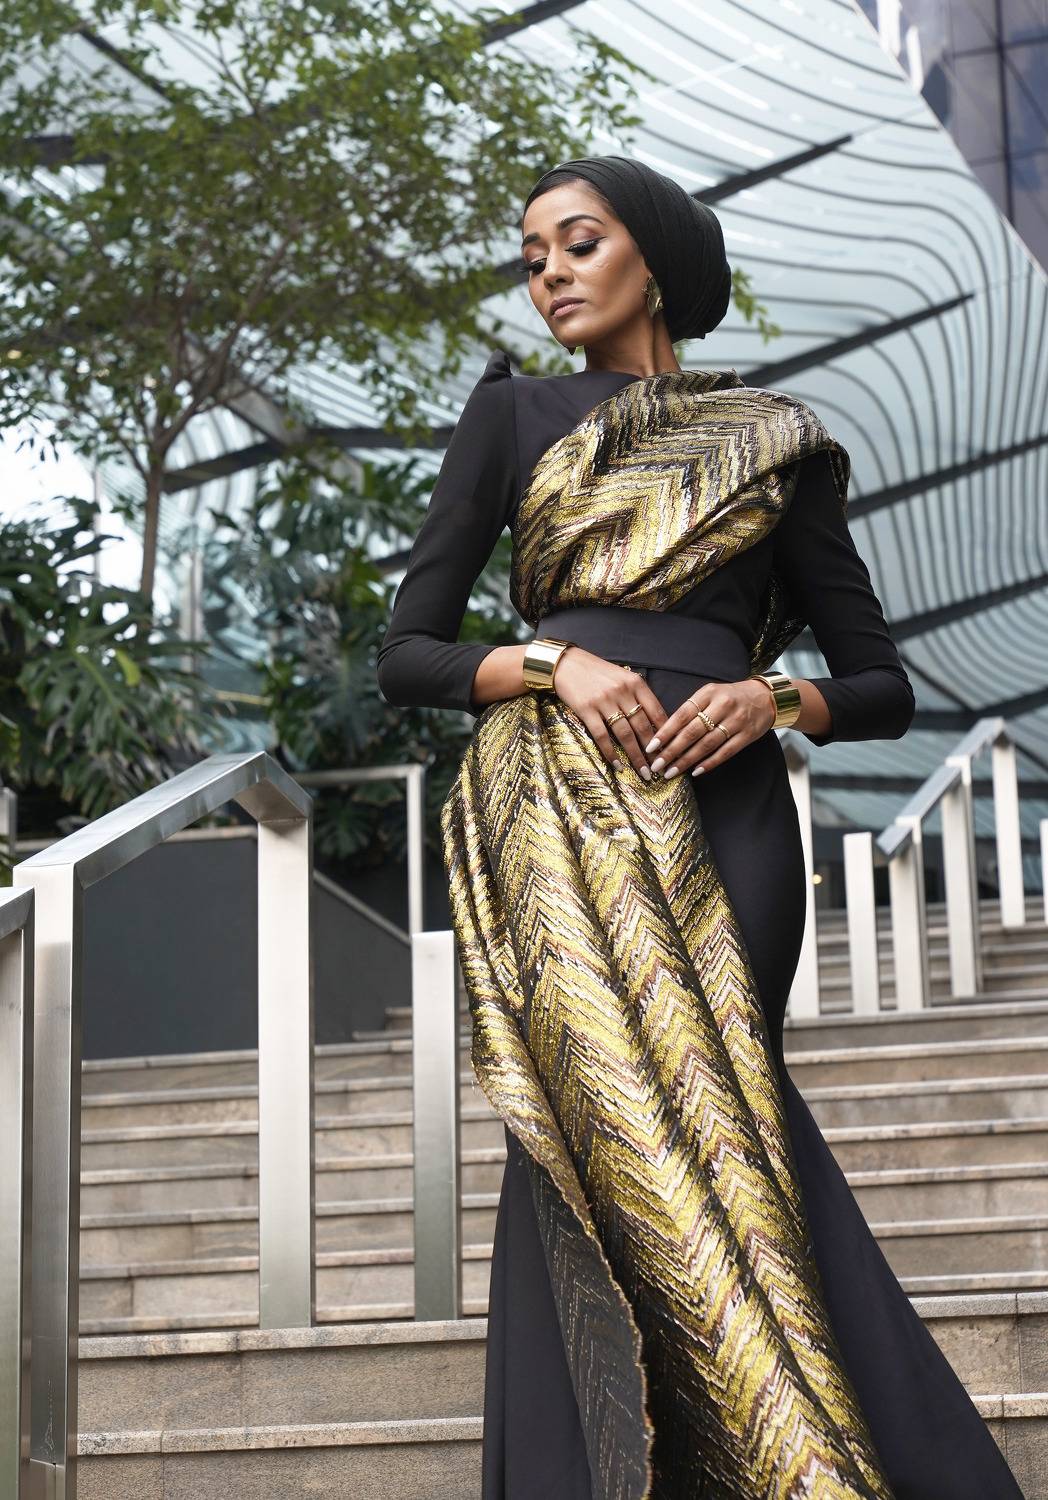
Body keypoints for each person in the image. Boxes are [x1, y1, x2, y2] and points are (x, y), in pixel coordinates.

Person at [377, 156, 1025, 1500]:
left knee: (731, 1119)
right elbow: (409, 654)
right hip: (555, 808)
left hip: (728, 814)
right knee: (590, 1123)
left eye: (578, 243)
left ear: (655, 260)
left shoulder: (775, 440)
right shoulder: (512, 417)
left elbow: (882, 684)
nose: (550, 274)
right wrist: (554, 663)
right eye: (533, 257)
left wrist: (774, 697)